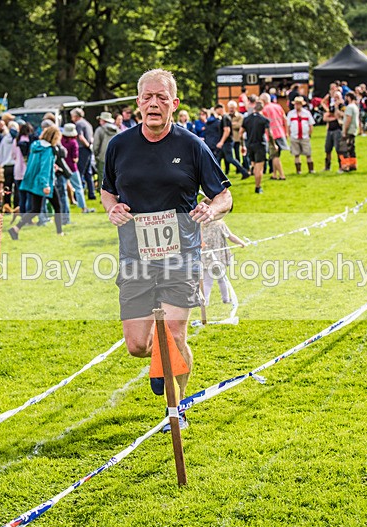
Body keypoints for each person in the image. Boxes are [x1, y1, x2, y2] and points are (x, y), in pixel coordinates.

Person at [101, 68, 233, 432]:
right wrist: (112, 208)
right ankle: (159, 358)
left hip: (181, 255)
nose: (154, 103)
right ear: (138, 103)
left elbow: (224, 195)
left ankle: (178, 409)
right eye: (147, 97)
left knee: (174, 333)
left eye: (161, 97)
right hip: (135, 257)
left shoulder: (192, 145)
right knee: (137, 345)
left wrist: (212, 209)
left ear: (174, 104)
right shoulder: (119, 146)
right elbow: (107, 190)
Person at [9, 125, 66, 239]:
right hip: (45, 183)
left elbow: (36, 164)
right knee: (57, 207)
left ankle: (16, 228)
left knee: (35, 209)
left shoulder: (36, 145)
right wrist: (45, 185)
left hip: (34, 181)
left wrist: (52, 166)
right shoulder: (48, 150)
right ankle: (59, 232)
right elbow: (44, 168)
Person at [201, 217, 245, 306]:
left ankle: (205, 302)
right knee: (222, 279)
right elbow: (230, 236)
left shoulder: (199, 225)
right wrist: (241, 243)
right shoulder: (220, 224)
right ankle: (226, 299)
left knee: (207, 282)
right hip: (219, 258)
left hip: (205, 258)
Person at [240, 101, 272, 193]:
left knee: (254, 164)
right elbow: (269, 134)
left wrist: (242, 145)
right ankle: (258, 187)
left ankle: (253, 170)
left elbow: (240, 133)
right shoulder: (264, 119)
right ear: (262, 108)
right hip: (260, 145)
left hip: (249, 144)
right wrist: (273, 144)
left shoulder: (246, 119)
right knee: (259, 167)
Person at [60, 123, 93, 213]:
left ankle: (64, 209)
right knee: (78, 188)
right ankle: (83, 208)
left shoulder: (60, 140)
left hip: (62, 167)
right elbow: (75, 159)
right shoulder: (74, 142)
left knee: (63, 189)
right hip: (72, 168)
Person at [212, 103, 249, 179]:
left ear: (220, 109)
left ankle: (244, 172)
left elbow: (227, 131)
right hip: (226, 142)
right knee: (218, 158)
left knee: (230, 159)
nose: (216, 112)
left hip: (227, 142)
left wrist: (221, 142)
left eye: (216, 110)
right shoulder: (224, 117)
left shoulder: (225, 118)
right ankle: (217, 176)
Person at [260, 93, 287, 181]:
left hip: (271, 135)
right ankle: (274, 174)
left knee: (274, 156)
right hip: (280, 132)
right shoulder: (278, 106)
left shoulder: (264, 110)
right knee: (276, 154)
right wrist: (286, 132)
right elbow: (284, 118)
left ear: (263, 101)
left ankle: (282, 175)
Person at [71, 108, 96, 200]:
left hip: (82, 149)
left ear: (75, 116)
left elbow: (80, 137)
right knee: (88, 173)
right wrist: (90, 146)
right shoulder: (87, 123)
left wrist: (87, 145)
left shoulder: (78, 124)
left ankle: (78, 195)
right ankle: (91, 193)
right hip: (88, 150)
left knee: (80, 172)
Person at [286, 96, 315, 175]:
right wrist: (288, 134)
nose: (297, 106)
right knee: (296, 154)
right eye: (296, 104)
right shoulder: (291, 114)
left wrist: (310, 133)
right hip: (294, 136)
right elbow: (288, 125)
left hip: (305, 136)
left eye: (298, 104)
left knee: (308, 153)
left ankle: (311, 169)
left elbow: (311, 124)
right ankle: (298, 170)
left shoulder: (306, 113)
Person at [93, 111, 120, 193]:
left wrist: (96, 155)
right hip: (116, 157)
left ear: (103, 120)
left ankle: (103, 193)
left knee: (102, 176)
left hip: (102, 157)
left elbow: (96, 145)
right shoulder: (118, 130)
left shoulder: (99, 130)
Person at [322, 91, 344, 172]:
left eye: (337, 97)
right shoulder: (332, 106)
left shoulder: (342, 106)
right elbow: (325, 117)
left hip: (338, 130)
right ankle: (327, 166)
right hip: (330, 129)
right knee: (328, 149)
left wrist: (337, 109)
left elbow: (342, 115)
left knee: (339, 149)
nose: (336, 99)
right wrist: (334, 118)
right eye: (334, 97)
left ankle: (341, 166)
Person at [226, 101, 247, 174]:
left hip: (237, 138)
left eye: (232, 108)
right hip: (228, 139)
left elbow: (240, 126)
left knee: (237, 154)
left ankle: (238, 170)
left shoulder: (240, 116)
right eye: (230, 108)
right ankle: (227, 170)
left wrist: (230, 125)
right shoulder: (226, 116)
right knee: (228, 156)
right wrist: (234, 124)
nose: (231, 109)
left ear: (235, 108)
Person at [340, 92, 359, 172]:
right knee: (352, 149)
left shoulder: (350, 107)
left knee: (344, 149)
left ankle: (345, 166)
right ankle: (353, 165)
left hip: (349, 130)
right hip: (354, 130)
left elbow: (348, 119)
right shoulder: (355, 107)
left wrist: (344, 130)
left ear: (349, 98)